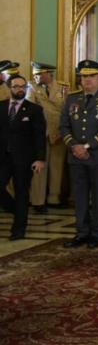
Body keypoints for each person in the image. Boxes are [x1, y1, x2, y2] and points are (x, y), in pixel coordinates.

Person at [59, 61, 98, 248]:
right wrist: (74, 146)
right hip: (76, 156)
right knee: (79, 197)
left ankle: (97, 233)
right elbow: (64, 126)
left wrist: (86, 146)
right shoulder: (72, 98)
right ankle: (82, 232)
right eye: (84, 76)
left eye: (92, 76)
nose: (87, 80)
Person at [0, 75, 46, 240]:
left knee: (22, 193)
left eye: (23, 86)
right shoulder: (1, 106)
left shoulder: (34, 109)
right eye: (16, 86)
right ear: (9, 88)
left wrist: (40, 159)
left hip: (24, 159)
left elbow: (39, 136)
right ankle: (15, 208)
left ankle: (19, 229)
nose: (20, 89)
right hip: (3, 159)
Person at [25, 62, 68, 212]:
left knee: (57, 166)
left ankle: (54, 198)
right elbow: (29, 108)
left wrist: (63, 131)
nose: (36, 77)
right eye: (35, 75)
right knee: (39, 167)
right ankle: (37, 200)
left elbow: (67, 110)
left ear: (49, 74)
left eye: (39, 74)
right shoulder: (31, 88)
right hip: (40, 133)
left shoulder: (63, 88)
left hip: (59, 132)